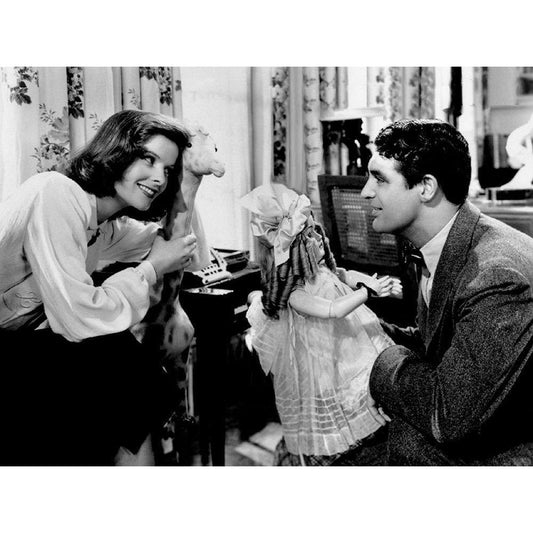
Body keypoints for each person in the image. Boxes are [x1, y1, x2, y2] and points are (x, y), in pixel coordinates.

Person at [0, 109, 198, 466]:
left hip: (23, 342)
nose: (159, 178)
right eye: (148, 158)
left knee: (127, 369)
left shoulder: (104, 225)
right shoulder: (55, 192)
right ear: (117, 150)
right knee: (124, 363)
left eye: (169, 170)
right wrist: (151, 268)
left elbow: (174, 243)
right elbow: (78, 316)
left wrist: (193, 179)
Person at [362, 118, 533, 465]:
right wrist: (363, 329)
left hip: (515, 447)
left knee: (405, 439)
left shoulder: (495, 275)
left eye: (379, 178)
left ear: (426, 187)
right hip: (482, 421)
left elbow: (448, 414)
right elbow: (439, 342)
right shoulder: (442, 241)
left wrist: (379, 367)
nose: (366, 191)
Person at [242, 183, 401, 466]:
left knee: (370, 381)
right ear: (293, 250)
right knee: (340, 397)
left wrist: (369, 281)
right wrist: (367, 293)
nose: (319, 237)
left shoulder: (323, 269)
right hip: (324, 354)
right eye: (309, 236)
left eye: (316, 231)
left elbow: (344, 274)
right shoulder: (296, 294)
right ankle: (346, 442)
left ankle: (372, 429)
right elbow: (333, 310)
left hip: (347, 342)